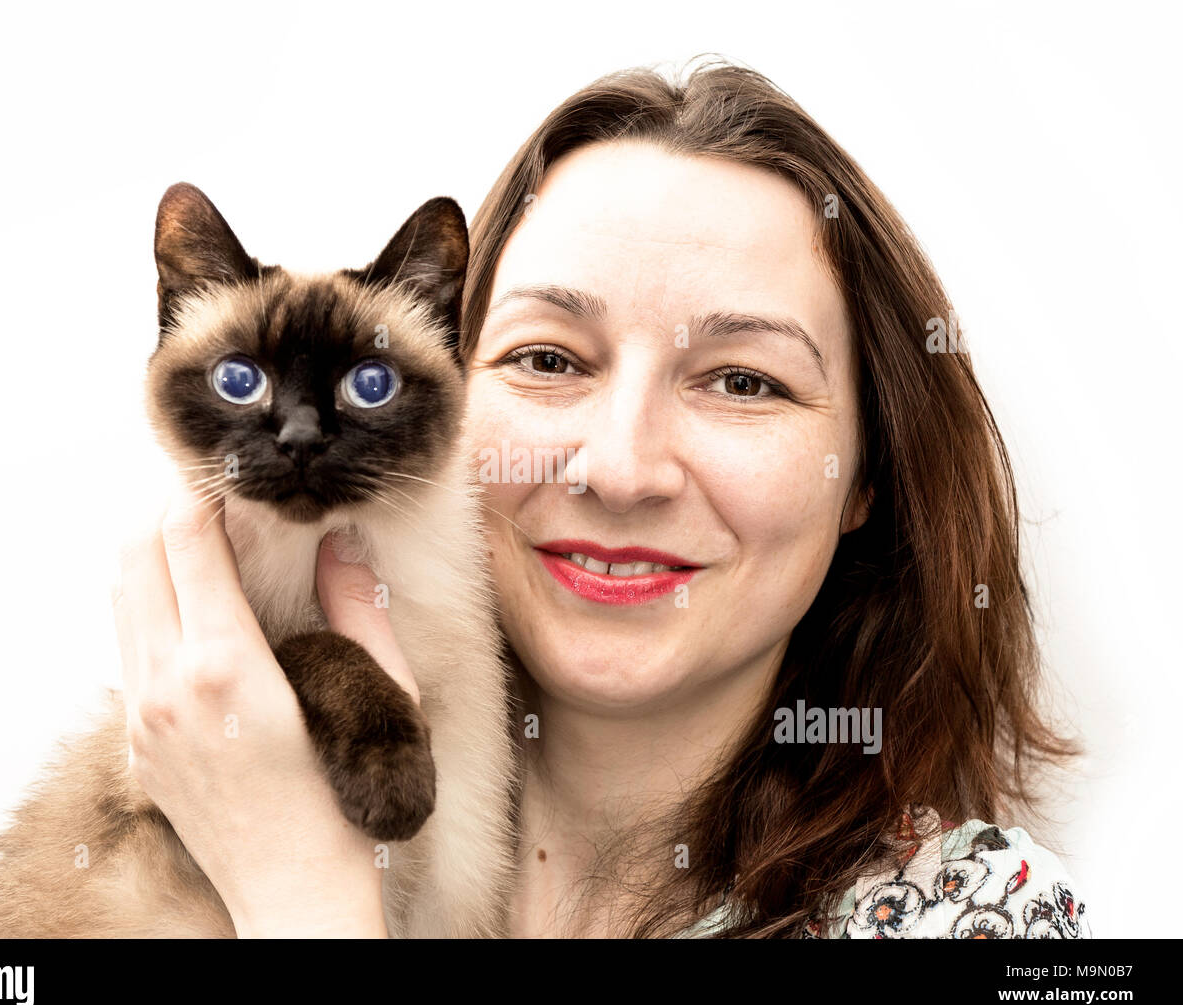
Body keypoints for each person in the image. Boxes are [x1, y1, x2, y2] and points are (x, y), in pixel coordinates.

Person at [113, 57, 1091, 939]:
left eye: (743, 380)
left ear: (866, 478)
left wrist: (302, 902)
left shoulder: (987, 922)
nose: (620, 472)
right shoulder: (187, 787)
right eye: (547, 359)